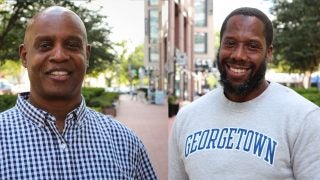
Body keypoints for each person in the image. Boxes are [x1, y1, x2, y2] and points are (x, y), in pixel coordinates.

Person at [0, 6, 157, 179]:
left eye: (72, 45)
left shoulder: (126, 143)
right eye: (45, 45)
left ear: (87, 55)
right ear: (24, 56)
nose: (59, 56)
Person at [169, 7, 320, 179]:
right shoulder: (187, 118)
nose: (238, 55)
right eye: (230, 43)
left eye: (252, 46)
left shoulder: (304, 119)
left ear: (269, 53)